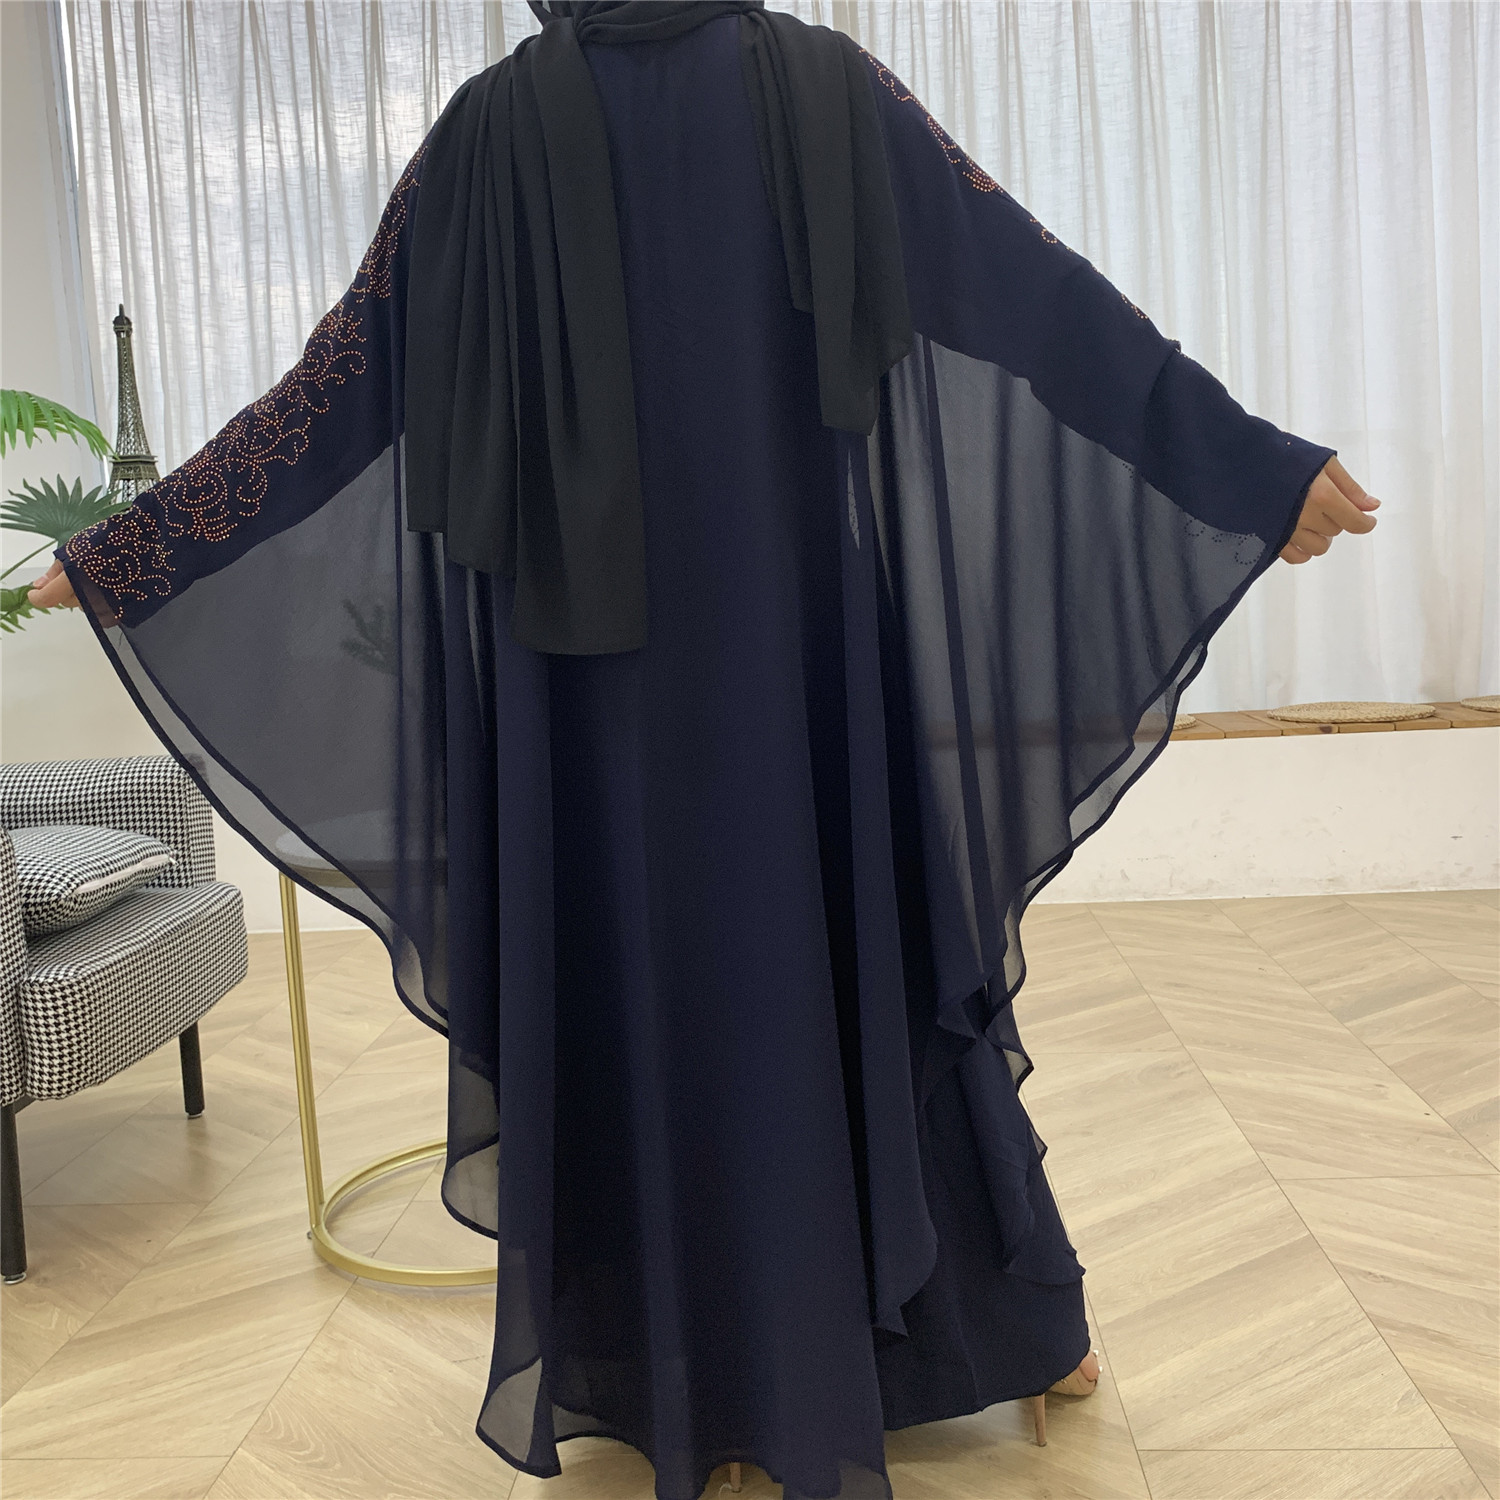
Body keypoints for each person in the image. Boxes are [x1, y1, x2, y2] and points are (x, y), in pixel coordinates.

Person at [29, 4, 1378, 1497]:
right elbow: (1039, 300)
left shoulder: (491, 131)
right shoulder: (817, 89)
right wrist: (1249, 467)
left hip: (584, 689)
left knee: (648, 989)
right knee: (854, 959)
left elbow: (339, 389)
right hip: (791, 651)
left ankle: (718, 1384)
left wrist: (136, 551)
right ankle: (975, 1334)